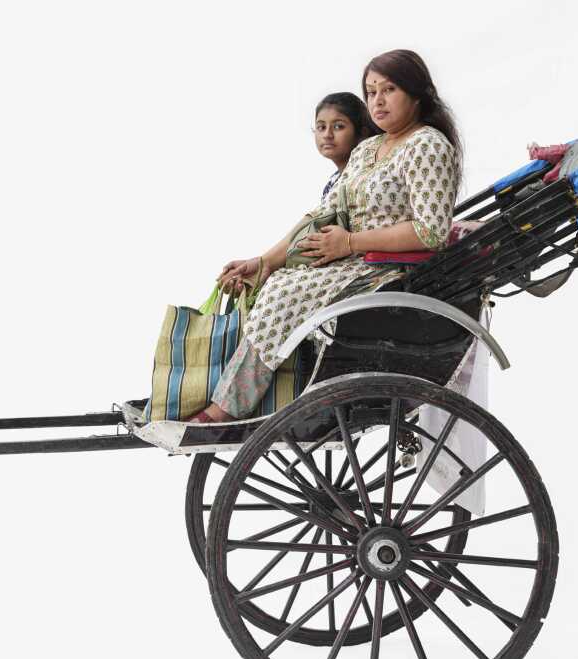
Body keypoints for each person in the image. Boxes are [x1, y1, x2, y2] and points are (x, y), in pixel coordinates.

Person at [194, 50, 461, 422]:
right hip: (356, 264)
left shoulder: (428, 146)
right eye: (371, 92)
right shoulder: (367, 149)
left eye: (389, 90)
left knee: (285, 292)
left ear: (417, 94)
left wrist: (349, 243)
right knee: (274, 281)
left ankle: (227, 408)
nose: (377, 101)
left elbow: (430, 232)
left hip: (393, 272)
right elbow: (322, 215)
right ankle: (260, 399)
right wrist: (265, 261)